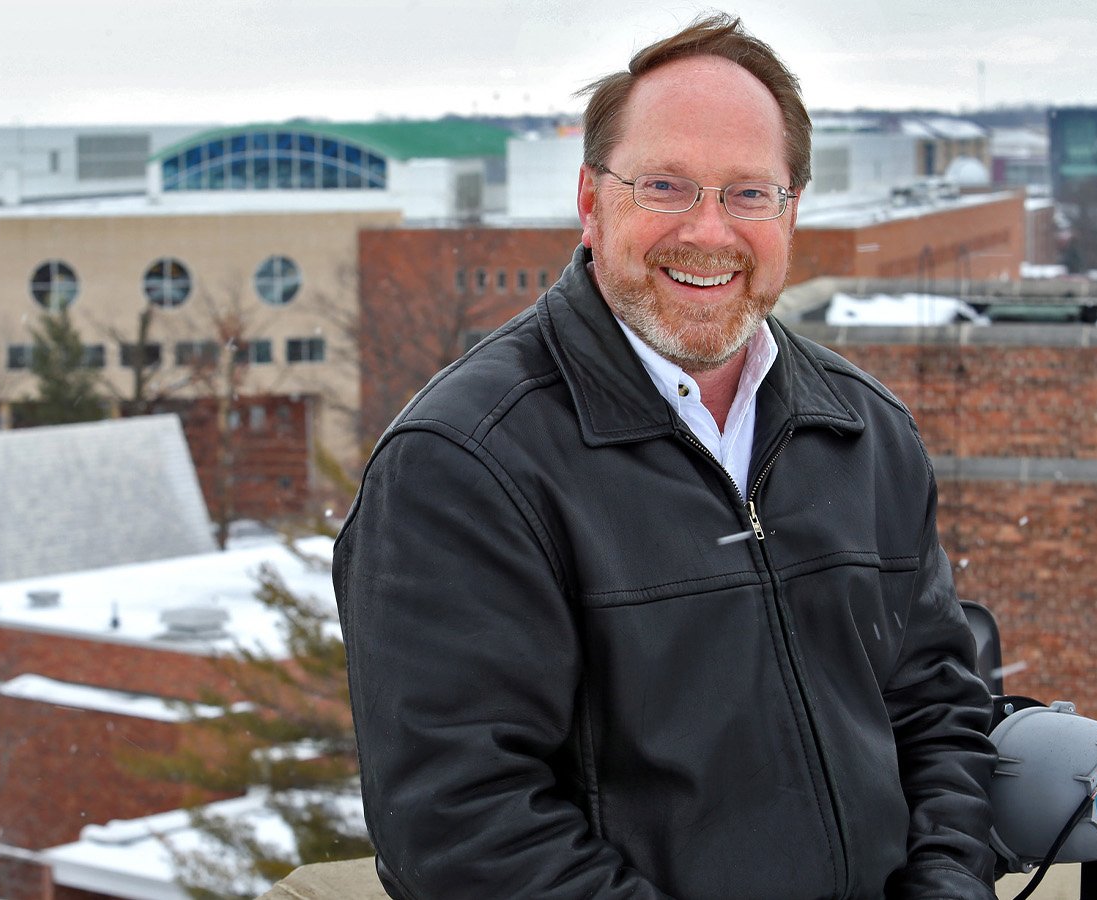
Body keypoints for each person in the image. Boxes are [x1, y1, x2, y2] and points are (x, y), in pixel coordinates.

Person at [335, 13, 998, 899]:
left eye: (748, 194)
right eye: (666, 187)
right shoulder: (464, 465)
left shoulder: (864, 433)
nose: (710, 233)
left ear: (791, 212)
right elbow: (463, 830)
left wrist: (948, 886)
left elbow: (939, 712)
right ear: (590, 203)